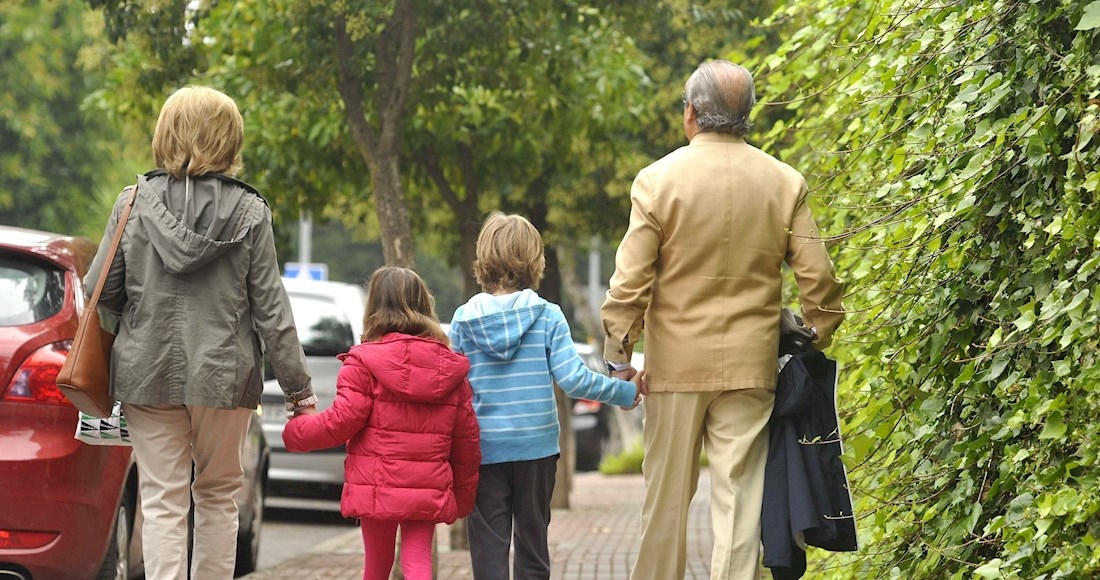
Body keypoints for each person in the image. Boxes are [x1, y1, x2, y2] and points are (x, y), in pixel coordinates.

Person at [600, 60, 846, 580]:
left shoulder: (656, 181)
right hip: (750, 368)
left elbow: (630, 283)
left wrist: (619, 355)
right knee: (738, 501)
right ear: (748, 115)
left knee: (665, 501)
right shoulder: (784, 182)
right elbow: (819, 282)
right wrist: (813, 335)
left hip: (674, 369)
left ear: (691, 113)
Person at [84, 86, 316, 580]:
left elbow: (100, 291)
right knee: (217, 493)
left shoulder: (134, 203)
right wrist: (298, 388)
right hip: (224, 374)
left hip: (147, 370)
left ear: (166, 134)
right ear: (229, 139)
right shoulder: (252, 213)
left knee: (163, 498)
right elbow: (271, 309)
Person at [449, 211, 643, 580]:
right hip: (536, 450)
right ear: (534, 259)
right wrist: (623, 391)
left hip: (483, 448)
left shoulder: (463, 319)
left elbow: (456, 389)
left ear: (483, 258)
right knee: (533, 547)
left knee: (488, 550)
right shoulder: (547, 315)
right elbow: (573, 380)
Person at [283, 266, 481, 580]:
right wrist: (463, 496)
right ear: (424, 306)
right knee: (418, 564)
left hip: (377, 483)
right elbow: (466, 441)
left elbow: (340, 422)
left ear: (373, 306)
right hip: (426, 484)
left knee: (376, 567)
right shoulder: (450, 368)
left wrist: (297, 430)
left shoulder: (363, 362)